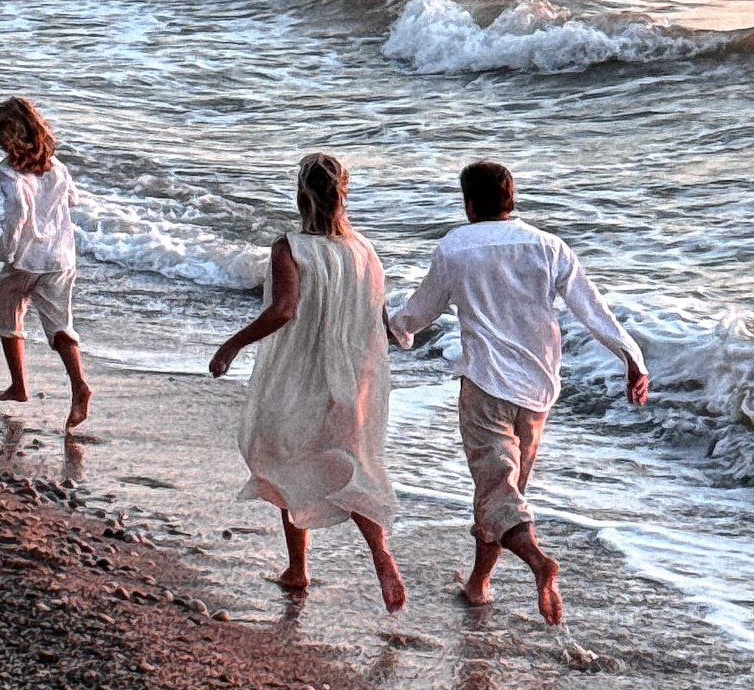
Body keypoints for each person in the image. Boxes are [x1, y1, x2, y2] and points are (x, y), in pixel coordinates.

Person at [391, 157, 647, 624]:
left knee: (496, 492)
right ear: (512, 199)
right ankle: (478, 584)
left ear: (469, 203)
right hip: (538, 390)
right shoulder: (549, 246)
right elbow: (593, 309)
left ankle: (540, 563)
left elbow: (421, 309)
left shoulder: (456, 247)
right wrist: (632, 358)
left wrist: (395, 329)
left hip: (486, 385)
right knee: (503, 493)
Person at [208, 151, 406, 614]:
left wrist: (231, 346)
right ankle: (379, 554)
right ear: (343, 195)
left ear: (301, 196)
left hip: (302, 374)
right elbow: (379, 318)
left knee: (284, 457)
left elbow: (284, 311)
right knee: (351, 463)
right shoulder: (365, 250)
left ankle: (298, 568)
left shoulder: (290, 247)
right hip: (355, 376)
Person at [0, 95, 92, 431]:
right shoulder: (57, 166)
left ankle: (19, 385)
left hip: (27, 258)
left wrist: (7, 249)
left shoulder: (7, 171)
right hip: (61, 258)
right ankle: (79, 385)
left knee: (9, 311)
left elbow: (18, 211)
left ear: (8, 134)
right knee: (61, 326)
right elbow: (74, 199)